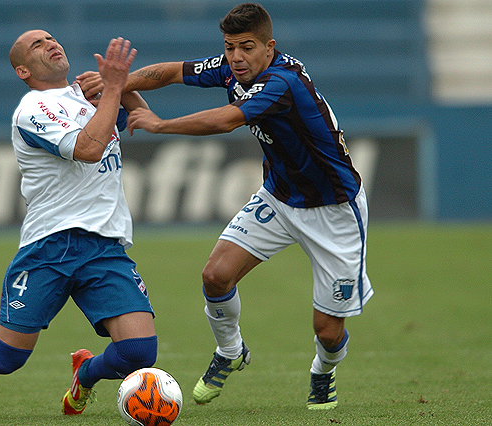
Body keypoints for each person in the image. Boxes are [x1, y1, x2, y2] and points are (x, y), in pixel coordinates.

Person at [78, 2, 373, 410]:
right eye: (230, 46)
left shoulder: (281, 82)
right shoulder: (232, 67)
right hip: (280, 197)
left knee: (326, 329)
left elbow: (225, 120)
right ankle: (231, 352)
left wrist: (161, 124)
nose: (236, 57)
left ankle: (324, 370)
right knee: (215, 276)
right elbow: (171, 72)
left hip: (334, 210)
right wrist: (119, 84)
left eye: (247, 47)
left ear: (269, 47)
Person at [0, 30, 158, 416]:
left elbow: (144, 118)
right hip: (49, 247)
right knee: (7, 359)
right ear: (23, 69)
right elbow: (88, 150)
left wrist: (120, 86)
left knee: (139, 352)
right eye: (37, 44)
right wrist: (112, 89)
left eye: (51, 38)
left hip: (104, 245)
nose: (50, 44)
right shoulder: (33, 109)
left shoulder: (89, 95)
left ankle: (85, 374)